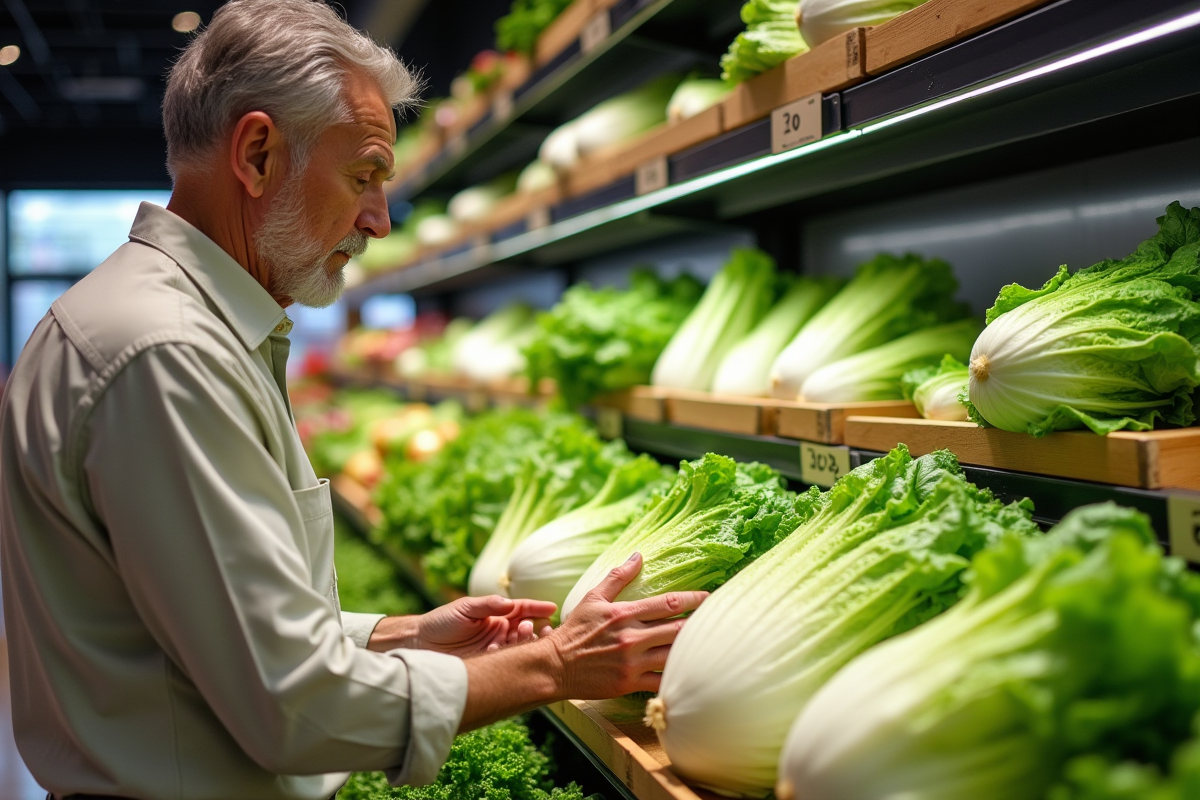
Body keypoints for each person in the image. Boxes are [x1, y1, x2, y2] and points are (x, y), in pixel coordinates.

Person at [0, 2, 705, 798]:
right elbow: (288, 702)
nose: (379, 219)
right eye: (364, 175)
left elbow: (214, 634)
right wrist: (554, 665)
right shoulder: (167, 355)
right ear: (259, 153)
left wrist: (406, 635)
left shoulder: (175, 327)